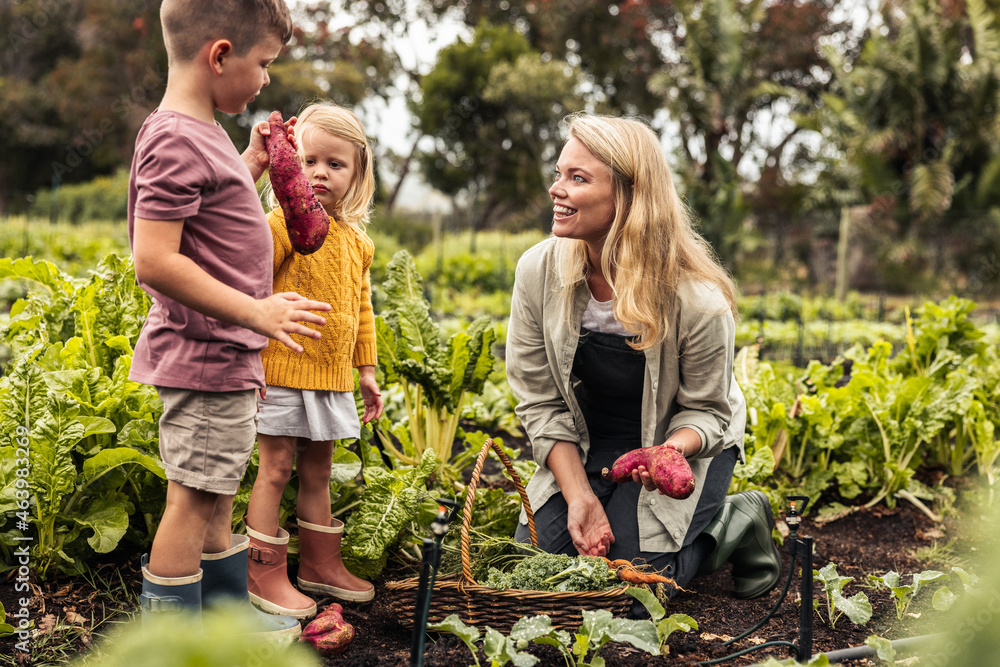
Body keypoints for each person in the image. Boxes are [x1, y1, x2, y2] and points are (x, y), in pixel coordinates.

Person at [505, 113, 781, 602]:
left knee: (633, 593)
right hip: (591, 436)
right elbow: (540, 402)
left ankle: (735, 521)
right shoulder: (537, 272)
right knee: (534, 574)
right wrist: (580, 497)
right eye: (559, 174)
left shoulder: (696, 299)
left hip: (678, 440)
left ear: (628, 198)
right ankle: (606, 499)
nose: (557, 189)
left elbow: (707, 411)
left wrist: (669, 452)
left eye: (578, 178)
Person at [128, 0, 331, 639]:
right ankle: (172, 643)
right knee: (191, 502)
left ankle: (220, 623)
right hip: (207, 356)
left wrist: (254, 162)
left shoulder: (203, 130)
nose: (267, 78)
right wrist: (258, 312)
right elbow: (155, 260)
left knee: (214, 497)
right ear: (219, 55)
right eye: (264, 63)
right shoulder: (173, 137)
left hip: (226, 356)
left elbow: (211, 217)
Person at [243, 102, 384, 620]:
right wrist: (249, 360)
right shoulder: (279, 226)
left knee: (319, 472)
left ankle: (320, 568)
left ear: (358, 172)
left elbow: (361, 310)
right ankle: (263, 573)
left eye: (335, 163)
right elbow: (251, 292)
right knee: (276, 468)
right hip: (279, 372)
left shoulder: (357, 242)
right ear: (289, 166)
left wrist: (365, 371)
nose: (319, 173)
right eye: (307, 162)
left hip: (330, 379)